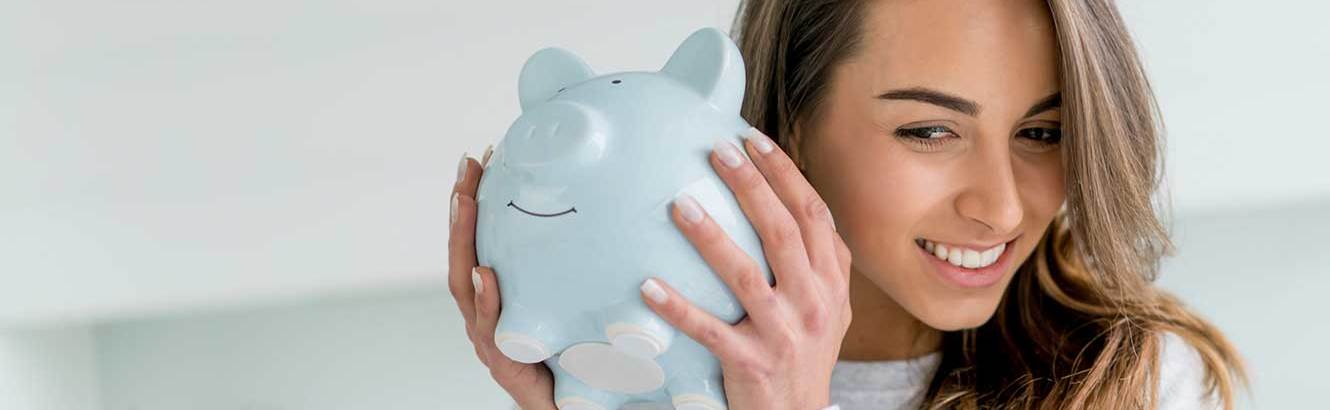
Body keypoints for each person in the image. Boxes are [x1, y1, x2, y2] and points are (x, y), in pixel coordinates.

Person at [448, 0, 1247, 408]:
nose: (1002, 209)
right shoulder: (649, 371)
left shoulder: (1132, 381)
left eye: (1042, 131)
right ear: (788, 122)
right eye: (931, 130)